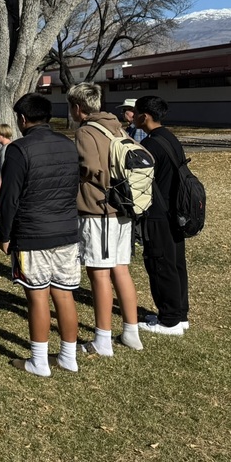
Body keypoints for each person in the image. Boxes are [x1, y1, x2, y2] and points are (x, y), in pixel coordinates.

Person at [0, 93, 81, 377]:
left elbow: (9, 198)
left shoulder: (19, 150)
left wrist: (4, 234)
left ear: (22, 119)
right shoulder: (68, 145)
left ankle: (39, 360)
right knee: (65, 294)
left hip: (32, 233)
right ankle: (69, 356)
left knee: (37, 296)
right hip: (67, 230)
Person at [67, 82, 142, 355]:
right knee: (121, 269)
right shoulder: (118, 127)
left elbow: (90, 168)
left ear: (78, 108)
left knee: (98, 272)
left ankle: (102, 338)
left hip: (99, 210)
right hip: (124, 209)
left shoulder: (86, 132)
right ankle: (131, 330)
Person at [134, 95, 191, 335]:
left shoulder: (150, 144)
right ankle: (179, 313)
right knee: (175, 263)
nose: (132, 116)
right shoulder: (170, 138)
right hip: (176, 211)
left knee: (160, 264)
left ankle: (169, 320)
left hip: (158, 213)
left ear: (144, 116)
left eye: (135, 112)